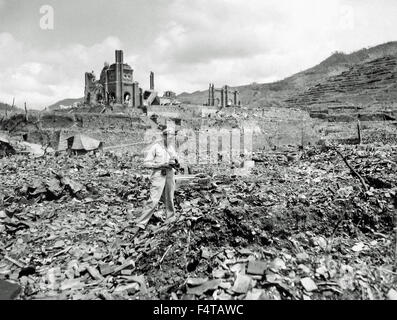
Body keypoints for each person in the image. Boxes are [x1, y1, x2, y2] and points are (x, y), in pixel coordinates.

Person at [134, 127, 179, 230]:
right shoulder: (156, 147)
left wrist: (176, 163)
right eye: (168, 136)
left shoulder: (172, 149)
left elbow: (177, 162)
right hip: (159, 174)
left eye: (172, 137)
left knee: (169, 198)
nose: (170, 139)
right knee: (153, 200)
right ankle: (141, 223)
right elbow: (146, 163)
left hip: (170, 174)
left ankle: (170, 219)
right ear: (164, 136)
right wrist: (160, 165)